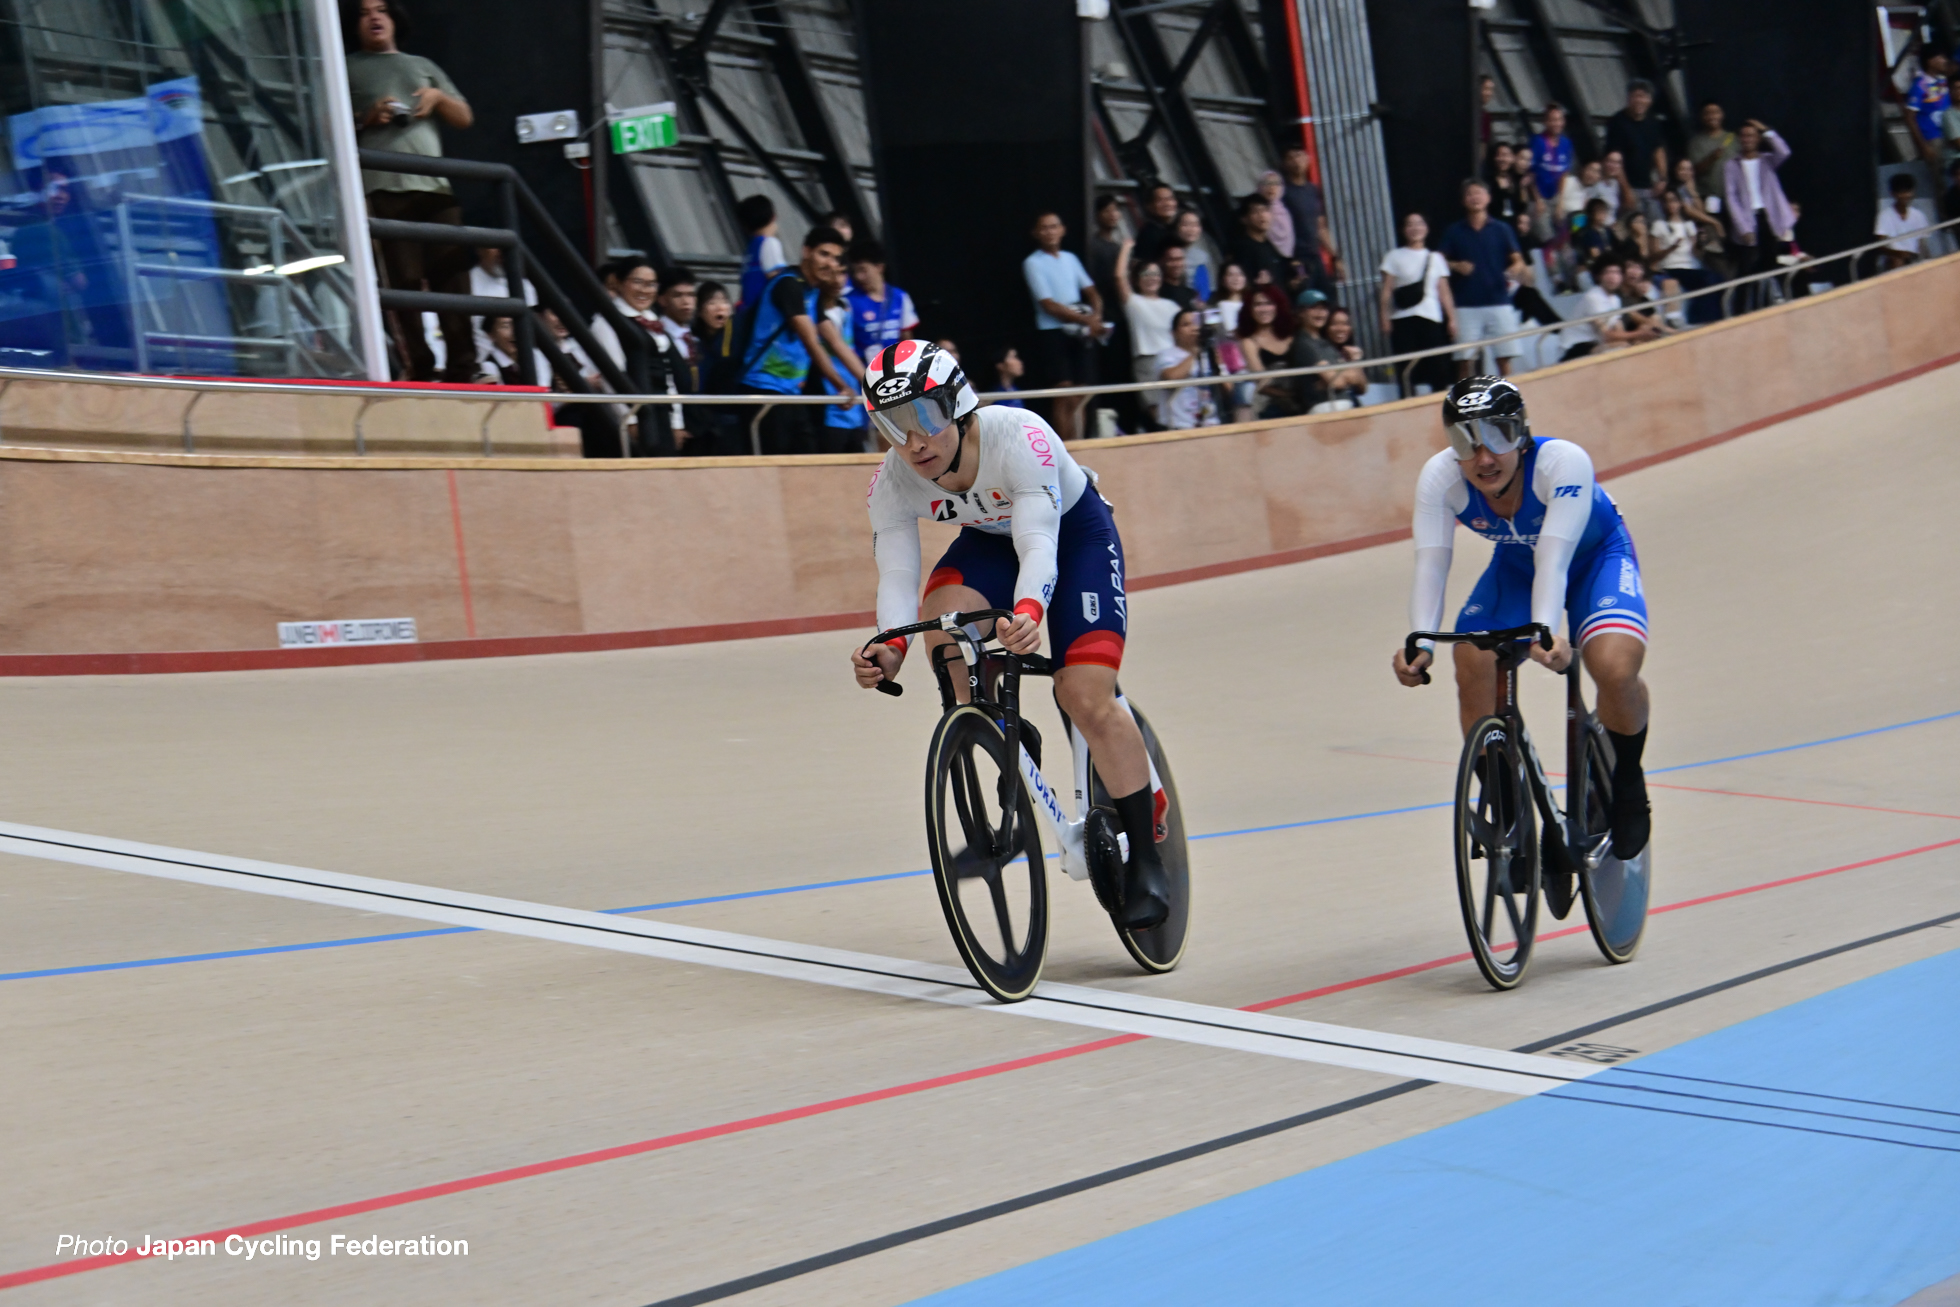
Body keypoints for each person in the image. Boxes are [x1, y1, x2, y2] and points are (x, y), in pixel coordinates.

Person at [852, 341, 1170, 930]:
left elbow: (1038, 544)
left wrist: (1028, 610)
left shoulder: (1019, 435)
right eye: (893, 425)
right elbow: (896, 575)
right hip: (991, 545)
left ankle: (1148, 858)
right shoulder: (891, 481)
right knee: (944, 635)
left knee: (1082, 693)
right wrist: (889, 644)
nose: (914, 442)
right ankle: (1006, 738)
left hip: (1072, 536)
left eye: (925, 416)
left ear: (959, 406)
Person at [1391, 376, 1653, 875]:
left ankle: (1627, 780)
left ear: (1522, 433)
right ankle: (1508, 809)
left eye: (1497, 436)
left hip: (1595, 559)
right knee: (1470, 658)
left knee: (1613, 667)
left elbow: (1555, 559)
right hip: (1517, 568)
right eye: (1465, 441)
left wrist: (1544, 630)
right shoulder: (1440, 477)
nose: (1483, 457)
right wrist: (1419, 640)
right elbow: (1431, 563)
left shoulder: (1562, 463)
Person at [345, 0, 475, 382]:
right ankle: (418, 366)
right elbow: (326, 124)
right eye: (364, 12)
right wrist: (367, 118)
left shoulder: (423, 65)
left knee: (453, 279)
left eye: (381, 9)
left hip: (436, 186)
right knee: (402, 282)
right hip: (384, 187)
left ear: (394, 18)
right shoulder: (346, 68)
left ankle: (464, 366)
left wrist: (438, 98)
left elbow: (464, 118)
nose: (374, 17)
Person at [739, 227, 850, 454]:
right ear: (806, 251)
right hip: (764, 389)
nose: (830, 263)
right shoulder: (788, 284)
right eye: (824, 254)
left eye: (835, 258)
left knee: (807, 461)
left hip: (792, 393)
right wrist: (841, 386)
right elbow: (811, 341)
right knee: (775, 465)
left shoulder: (813, 293)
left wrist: (872, 386)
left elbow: (837, 343)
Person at [588, 257, 688, 455]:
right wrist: (630, 419)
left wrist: (676, 422)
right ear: (619, 283)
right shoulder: (606, 322)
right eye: (637, 282)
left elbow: (666, 374)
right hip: (630, 415)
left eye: (651, 284)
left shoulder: (652, 320)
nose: (645, 290)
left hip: (660, 411)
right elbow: (612, 375)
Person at [1021, 211, 1103, 442]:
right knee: (1062, 392)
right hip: (1053, 332)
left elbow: (1092, 291)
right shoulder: (1033, 263)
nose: (1050, 232)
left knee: (1080, 393)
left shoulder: (1070, 258)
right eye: (1044, 228)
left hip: (1079, 332)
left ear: (1063, 230)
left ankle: (1080, 442)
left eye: (1054, 226)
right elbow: (1048, 305)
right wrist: (1087, 320)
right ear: (1036, 233)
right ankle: (1064, 446)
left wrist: (1096, 315)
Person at [1440, 178, 1527, 378]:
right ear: (1463, 200)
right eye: (1470, 194)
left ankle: (1506, 395)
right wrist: (1456, 265)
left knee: (1504, 358)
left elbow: (1518, 260)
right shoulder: (1453, 231)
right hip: (1465, 304)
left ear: (1488, 198)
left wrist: (1514, 269)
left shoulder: (1502, 229)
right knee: (1464, 360)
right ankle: (1466, 397)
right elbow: (1438, 261)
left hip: (1499, 301)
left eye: (1479, 193)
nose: (1475, 198)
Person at [1378, 211, 1456, 395]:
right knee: (1406, 367)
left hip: (1431, 316)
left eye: (1419, 224)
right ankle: (1407, 398)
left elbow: (1444, 291)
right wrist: (1384, 317)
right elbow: (1386, 290)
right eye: (1410, 224)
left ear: (1427, 228)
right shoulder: (1394, 256)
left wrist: (1452, 318)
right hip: (1402, 317)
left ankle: (1440, 400)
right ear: (1403, 229)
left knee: (1437, 365)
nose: (1415, 228)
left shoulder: (1436, 258)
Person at [1111, 240, 1180, 422]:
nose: (1152, 278)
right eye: (1146, 274)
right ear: (1137, 279)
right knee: (1157, 412)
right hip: (1147, 360)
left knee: (1178, 409)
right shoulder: (1133, 302)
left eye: (1156, 274)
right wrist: (1126, 247)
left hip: (1173, 361)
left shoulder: (1172, 306)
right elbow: (1119, 277)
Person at [1722, 119, 1796, 280]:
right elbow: (1731, 198)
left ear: (1758, 139)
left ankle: (1772, 295)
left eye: (1751, 136)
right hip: (1748, 218)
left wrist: (1765, 130)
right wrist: (1743, 228)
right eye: (1744, 136)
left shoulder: (1767, 160)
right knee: (1748, 268)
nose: (1747, 139)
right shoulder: (1731, 165)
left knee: (1771, 264)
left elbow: (1784, 151)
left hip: (1768, 217)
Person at [1558, 260, 1654, 360]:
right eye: (1607, 272)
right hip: (1575, 346)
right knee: (1622, 347)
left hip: (1595, 343)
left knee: (1633, 345)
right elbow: (1606, 335)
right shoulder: (1593, 298)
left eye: (1617, 273)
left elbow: (1619, 330)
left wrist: (1637, 338)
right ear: (1599, 276)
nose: (1612, 277)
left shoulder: (1615, 299)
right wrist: (1639, 333)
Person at [1279, 144, 1341, 294]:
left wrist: (1335, 257)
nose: (1296, 161)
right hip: (1295, 257)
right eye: (1291, 158)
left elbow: (1320, 227)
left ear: (1308, 159)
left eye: (1299, 156)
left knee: (1326, 297)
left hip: (1315, 255)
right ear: (1285, 163)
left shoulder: (1312, 190)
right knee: (1304, 298)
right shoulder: (1282, 192)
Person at [845, 239, 919, 361]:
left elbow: (907, 339)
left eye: (863, 270)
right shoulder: (848, 301)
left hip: (895, 367)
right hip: (863, 369)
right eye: (855, 271)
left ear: (879, 267)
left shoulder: (900, 297)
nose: (858, 277)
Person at [1602, 79, 1669, 212]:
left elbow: (1658, 150)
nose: (1639, 100)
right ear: (1628, 99)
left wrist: (1662, 178)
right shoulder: (1617, 122)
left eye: (1643, 96)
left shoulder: (1653, 122)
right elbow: (1614, 159)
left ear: (1650, 100)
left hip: (1649, 186)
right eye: (1635, 96)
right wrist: (1626, 190)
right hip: (1625, 186)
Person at [1236, 288, 1298, 418]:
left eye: (1269, 303)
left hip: (1302, 399)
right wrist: (1290, 394)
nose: (1264, 309)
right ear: (1250, 309)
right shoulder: (1249, 342)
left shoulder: (1291, 335)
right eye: (1258, 304)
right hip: (1269, 406)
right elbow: (1262, 382)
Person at [1155, 308, 1221, 429]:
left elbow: (1227, 388)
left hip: (1213, 424)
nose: (1194, 328)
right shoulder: (1167, 354)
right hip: (1179, 425)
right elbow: (1171, 378)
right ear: (1174, 332)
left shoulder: (1210, 353)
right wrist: (1196, 352)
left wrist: (1219, 362)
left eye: (1196, 324)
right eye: (1186, 324)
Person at [468, 247, 535, 364]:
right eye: (495, 245)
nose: (501, 251)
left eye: (503, 246)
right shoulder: (465, 283)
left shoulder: (525, 286)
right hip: (480, 365)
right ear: (479, 249)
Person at [1650, 189, 1708, 322]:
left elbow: (1696, 253)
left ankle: (1705, 318)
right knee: (1706, 280)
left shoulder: (1689, 225)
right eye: (1667, 201)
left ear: (1680, 203)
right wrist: (1671, 248)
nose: (1671, 205)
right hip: (1671, 267)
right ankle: (1697, 319)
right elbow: (1654, 256)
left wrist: (1701, 243)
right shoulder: (1659, 225)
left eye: (1674, 201)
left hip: (1691, 266)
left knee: (1714, 279)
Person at [1229, 195, 1292, 290]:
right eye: (1255, 212)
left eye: (1265, 210)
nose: (1262, 215)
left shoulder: (1269, 244)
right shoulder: (1243, 248)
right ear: (1244, 219)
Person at [736, 194, 787, 307]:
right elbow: (779, 280)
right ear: (773, 217)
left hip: (751, 312)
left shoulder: (750, 250)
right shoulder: (770, 243)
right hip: (766, 312)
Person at [1876, 172, 1933, 270]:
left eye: (1908, 191)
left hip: (1914, 258)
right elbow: (1880, 245)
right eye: (1901, 192)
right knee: (1897, 261)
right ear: (1893, 194)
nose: (1905, 195)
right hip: (1894, 259)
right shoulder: (1884, 216)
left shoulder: (1918, 215)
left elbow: (1922, 244)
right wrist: (1899, 254)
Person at [1907, 52, 1954, 167]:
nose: (1944, 61)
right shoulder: (1919, 85)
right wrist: (1923, 146)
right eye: (1941, 57)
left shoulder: (1942, 81)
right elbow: (1910, 117)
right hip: (1933, 139)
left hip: (1949, 135)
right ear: (1930, 61)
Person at [478, 315, 550, 387]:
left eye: (517, 325)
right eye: (506, 326)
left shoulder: (536, 356)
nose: (514, 333)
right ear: (490, 334)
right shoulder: (488, 367)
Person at [1687, 101, 1737, 200]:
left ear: (1722, 115)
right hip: (1709, 195)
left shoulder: (1733, 138)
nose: (1712, 116)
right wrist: (1711, 158)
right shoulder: (1695, 143)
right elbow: (1692, 172)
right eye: (1708, 113)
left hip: (1734, 195)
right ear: (1702, 117)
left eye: (1716, 112)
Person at [1528, 103, 1575, 205]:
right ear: (1545, 122)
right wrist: (1537, 199)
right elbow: (1531, 172)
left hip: (1556, 197)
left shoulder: (1566, 143)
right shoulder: (1537, 141)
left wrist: (1561, 200)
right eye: (1553, 120)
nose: (1557, 124)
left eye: (1559, 120)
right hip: (1537, 197)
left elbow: (1564, 173)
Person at [1133, 183, 1181, 267]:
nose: (1167, 203)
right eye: (1160, 200)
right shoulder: (1148, 234)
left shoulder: (1174, 230)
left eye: (1170, 199)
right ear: (1149, 206)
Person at [1174, 210, 1215, 302]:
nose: (1191, 229)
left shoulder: (1202, 256)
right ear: (1176, 227)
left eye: (1195, 225)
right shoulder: (1169, 253)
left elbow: (1206, 287)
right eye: (1186, 225)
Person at [1256, 171, 1294, 259]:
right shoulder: (1255, 212)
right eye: (1267, 183)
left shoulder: (1284, 212)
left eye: (1276, 183)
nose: (1272, 187)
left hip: (1286, 260)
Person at [1211, 261, 1252, 336]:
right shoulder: (1217, 306)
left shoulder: (1252, 304)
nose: (1236, 278)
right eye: (1231, 275)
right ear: (1223, 280)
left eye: (1240, 274)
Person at [1158, 242, 1199, 311]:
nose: (1176, 264)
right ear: (1162, 262)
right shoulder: (1158, 293)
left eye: (1180, 259)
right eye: (1171, 260)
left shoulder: (1191, 293)